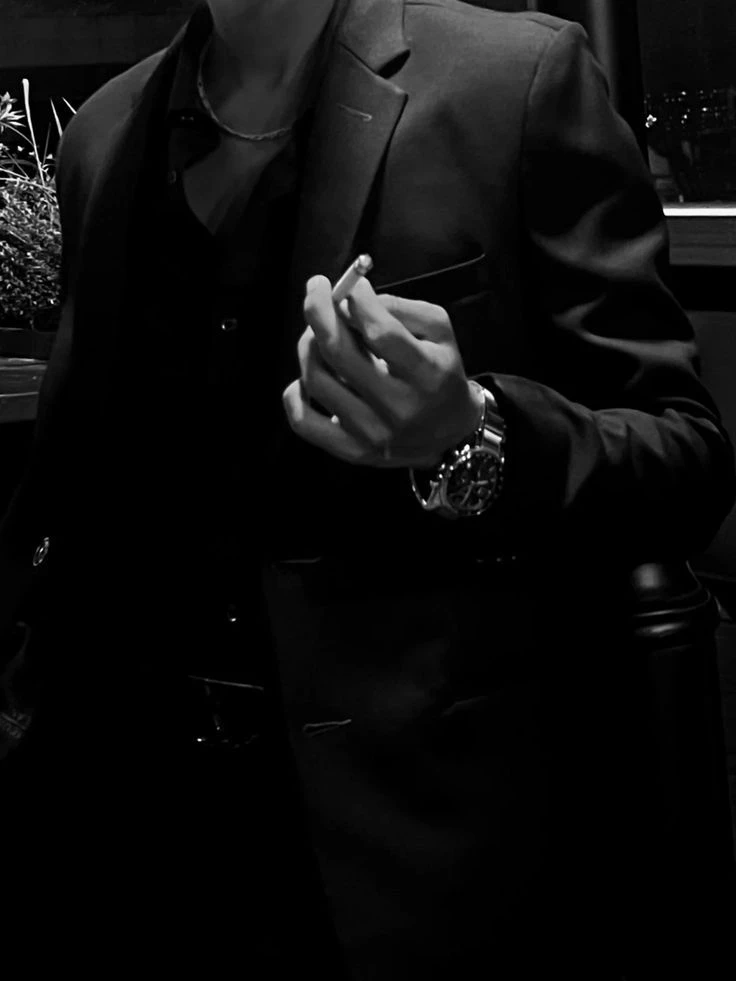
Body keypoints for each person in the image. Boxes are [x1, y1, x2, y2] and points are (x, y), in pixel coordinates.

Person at [0, 0, 733, 977]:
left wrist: (472, 433)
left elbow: (684, 459)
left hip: (420, 868)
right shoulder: (101, 137)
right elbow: (73, 509)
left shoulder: (513, 81)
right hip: (134, 854)